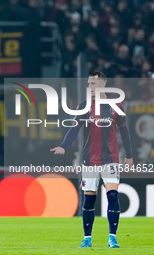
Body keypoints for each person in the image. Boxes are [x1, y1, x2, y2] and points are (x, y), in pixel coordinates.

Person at [50, 71, 134, 248]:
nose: (90, 87)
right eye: (89, 84)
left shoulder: (115, 105)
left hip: (110, 159)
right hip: (89, 160)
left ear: (103, 84)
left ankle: (112, 237)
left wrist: (129, 155)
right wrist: (63, 146)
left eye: (93, 83)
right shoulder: (84, 105)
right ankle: (87, 239)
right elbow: (74, 128)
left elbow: (124, 131)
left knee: (112, 194)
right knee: (89, 199)